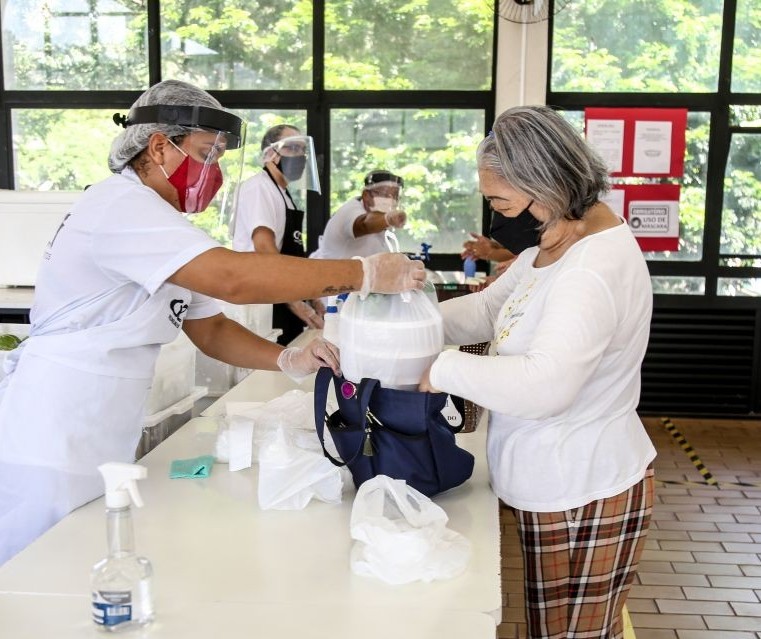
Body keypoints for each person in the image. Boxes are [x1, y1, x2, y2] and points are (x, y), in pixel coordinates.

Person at [0, 80, 425, 565]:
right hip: (52, 429)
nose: (215, 172)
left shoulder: (166, 226)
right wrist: (363, 273)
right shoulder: (121, 205)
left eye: (221, 157)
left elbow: (210, 329)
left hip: (99, 424)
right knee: (37, 571)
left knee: (90, 561)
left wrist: (289, 357)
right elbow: (231, 277)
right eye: (207, 154)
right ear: (159, 146)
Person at [420, 105, 656, 638]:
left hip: (583, 485)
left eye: (501, 202)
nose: (496, 218)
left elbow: (546, 385)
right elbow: (486, 311)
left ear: (545, 184)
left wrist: (438, 368)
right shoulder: (553, 241)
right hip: (548, 478)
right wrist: (409, 328)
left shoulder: (591, 267)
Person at [231, 124, 325, 345]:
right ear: (270, 153)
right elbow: (265, 250)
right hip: (263, 302)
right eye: (292, 148)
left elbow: (290, 258)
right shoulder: (259, 188)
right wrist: (297, 303)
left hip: (280, 297)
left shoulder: (282, 193)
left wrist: (311, 296)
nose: (299, 156)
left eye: (302, 150)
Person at [310, 169, 406, 260]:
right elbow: (364, 224)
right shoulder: (351, 210)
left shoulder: (381, 226)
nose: (391, 200)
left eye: (395, 196)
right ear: (366, 195)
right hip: (328, 273)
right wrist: (388, 219)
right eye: (385, 194)